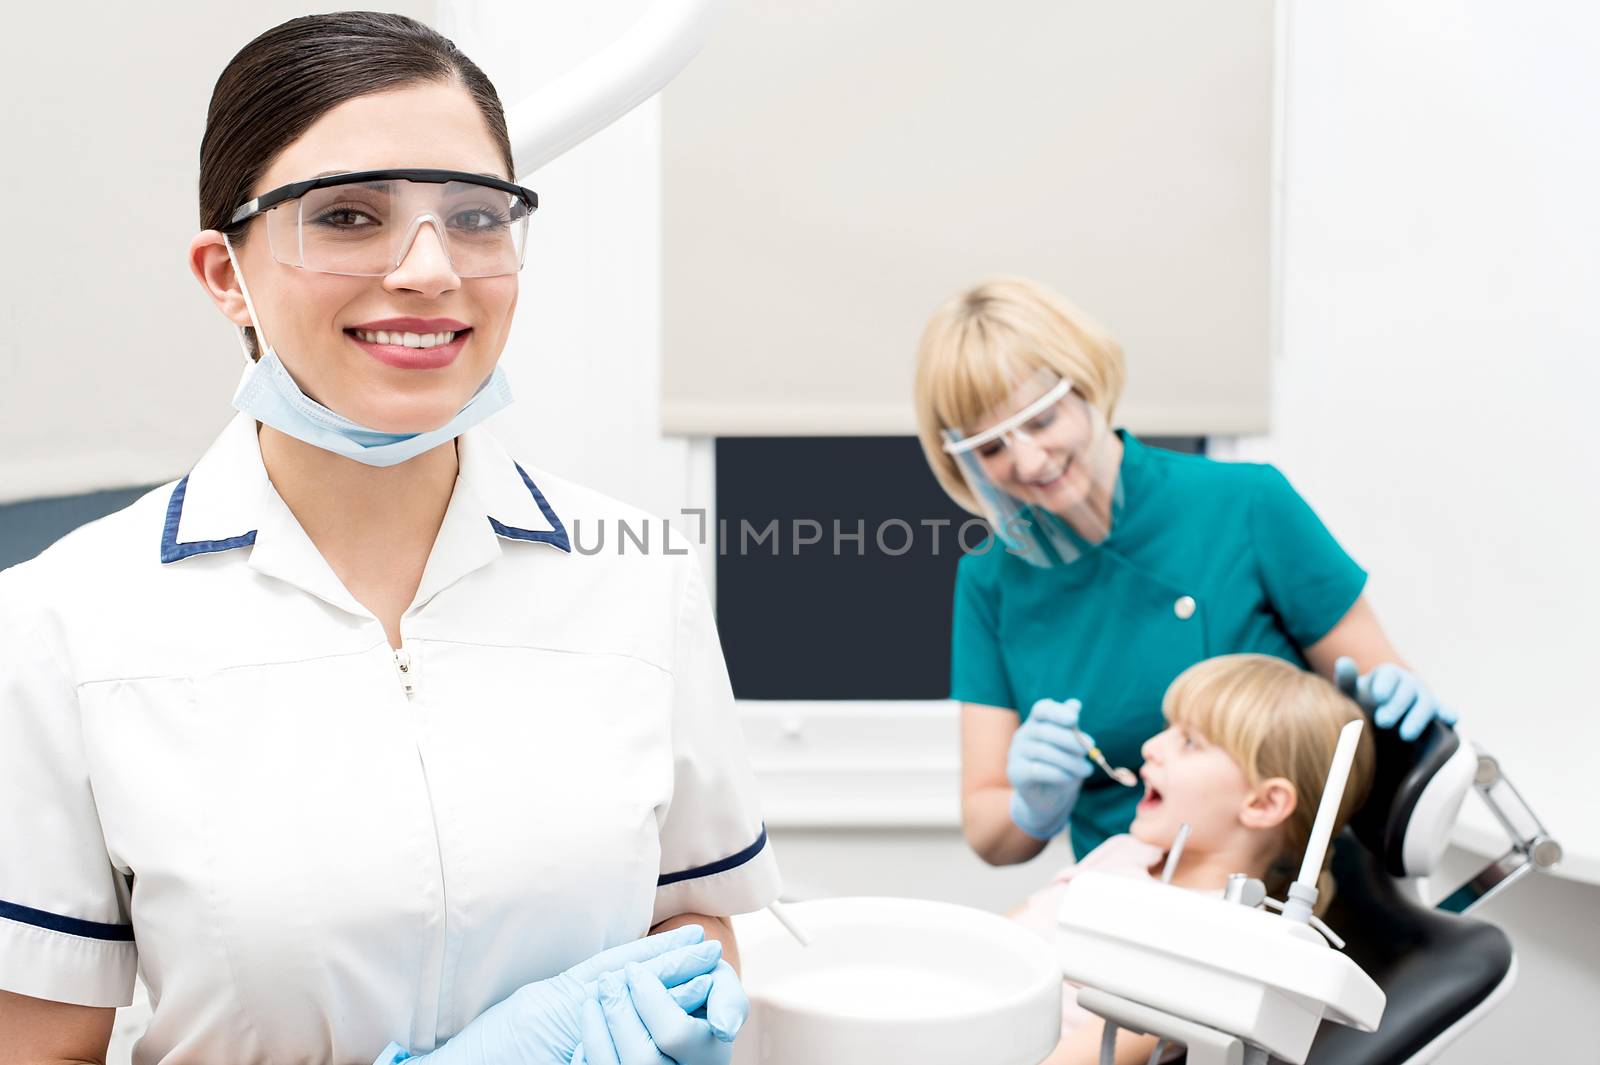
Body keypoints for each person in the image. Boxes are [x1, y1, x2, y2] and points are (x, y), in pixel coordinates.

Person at [0, 14, 777, 1065]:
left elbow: (695, 920)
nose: (428, 269)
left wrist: (677, 1011)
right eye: (350, 215)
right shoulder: (64, 626)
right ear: (225, 273)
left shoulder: (639, 576)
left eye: (474, 216)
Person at [912, 275, 1453, 865]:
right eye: (990, 450)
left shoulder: (1247, 504)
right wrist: (1031, 806)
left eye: (1041, 422)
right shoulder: (991, 581)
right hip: (1123, 890)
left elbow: (1373, 688)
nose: (1028, 460)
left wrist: (1383, 699)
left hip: (1280, 886)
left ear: (1086, 386)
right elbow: (989, 833)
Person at [1008, 654, 1377, 1064]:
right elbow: (1002, 933)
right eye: (1168, 729)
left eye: (1189, 742)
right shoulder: (1126, 852)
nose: (1150, 747)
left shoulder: (1216, 954)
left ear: (1263, 803)